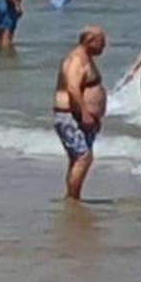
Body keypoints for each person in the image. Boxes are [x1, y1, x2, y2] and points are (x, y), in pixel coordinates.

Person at [53, 28, 108, 200]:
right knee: (84, 158)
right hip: (72, 116)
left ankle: (72, 196)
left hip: (81, 117)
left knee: (77, 159)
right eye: (101, 42)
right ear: (90, 41)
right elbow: (72, 88)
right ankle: (73, 199)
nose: (104, 46)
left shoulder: (86, 58)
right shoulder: (76, 60)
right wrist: (84, 113)